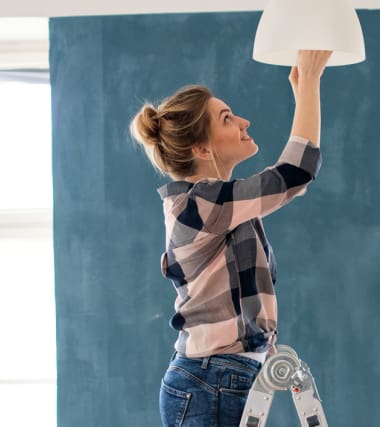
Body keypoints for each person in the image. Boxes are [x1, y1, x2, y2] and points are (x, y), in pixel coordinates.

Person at [129, 50, 332, 427]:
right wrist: (310, 82)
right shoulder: (202, 204)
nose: (243, 122)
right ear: (203, 149)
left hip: (218, 377)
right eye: (227, 119)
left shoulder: (222, 206)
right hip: (211, 380)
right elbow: (295, 173)